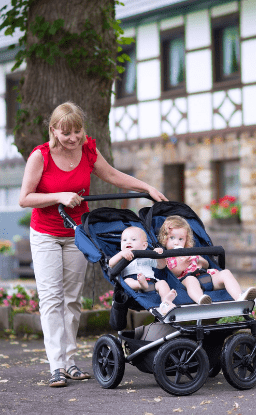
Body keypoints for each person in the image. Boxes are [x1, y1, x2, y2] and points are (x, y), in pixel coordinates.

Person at [18, 102, 168, 388]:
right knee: (51, 299)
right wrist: (59, 195)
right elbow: (24, 198)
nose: (73, 138)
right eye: (66, 133)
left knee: (72, 298)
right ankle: (56, 366)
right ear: (53, 131)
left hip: (76, 232)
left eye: (77, 131)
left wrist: (145, 187)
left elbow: (111, 175)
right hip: (46, 233)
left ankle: (71, 362)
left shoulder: (87, 149)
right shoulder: (41, 156)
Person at [157, 215, 256, 305]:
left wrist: (200, 261)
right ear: (165, 239)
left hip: (206, 276)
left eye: (180, 239)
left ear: (186, 240)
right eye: (172, 238)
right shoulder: (168, 257)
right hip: (186, 279)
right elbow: (173, 273)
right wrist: (182, 265)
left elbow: (206, 264)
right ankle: (200, 299)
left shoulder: (190, 252)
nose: (176, 243)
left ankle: (239, 297)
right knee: (191, 281)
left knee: (225, 273)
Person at [108, 226, 177, 315]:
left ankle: (166, 302)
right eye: (124, 240)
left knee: (162, 283)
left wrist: (158, 254)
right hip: (134, 287)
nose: (128, 242)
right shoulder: (122, 258)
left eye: (133, 239)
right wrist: (121, 254)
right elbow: (110, 263)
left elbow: (162, 265)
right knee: (127, 281)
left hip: (151, 285)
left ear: (144, 246)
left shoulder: (147, 257)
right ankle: (140, 284)